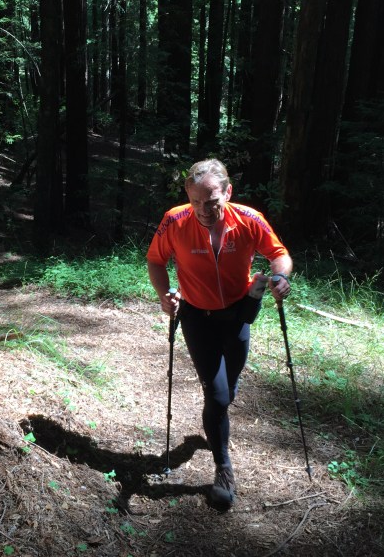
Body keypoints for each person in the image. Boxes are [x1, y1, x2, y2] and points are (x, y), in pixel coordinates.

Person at [147, 158, 292, 509]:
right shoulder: (175, 220)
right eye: (196, 201)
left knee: (231, 379)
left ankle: (222, 402)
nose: (203, 209)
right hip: (196, 315)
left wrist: (281, 277)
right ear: (188, 196)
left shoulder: (249, 219)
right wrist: (164, 295)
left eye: (211, 201)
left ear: (228, 192)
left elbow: (279, 254)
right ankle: (223, 469)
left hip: (238, 313)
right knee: (217, 395)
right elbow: (155, 260)